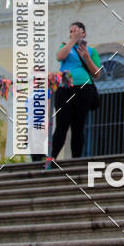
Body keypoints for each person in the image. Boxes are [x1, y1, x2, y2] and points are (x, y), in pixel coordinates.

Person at [45, 22, 101, 168]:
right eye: (71, 31)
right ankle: (51, 159)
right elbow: (59, 57)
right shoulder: (65, 47)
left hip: (84, 89)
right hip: (65, 88)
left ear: (83, 33)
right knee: (61, 125)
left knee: (78, 126)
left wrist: (86, 57)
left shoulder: (91, 51)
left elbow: (97, 73)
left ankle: (76, 161)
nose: (72, 33)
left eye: (75, 31)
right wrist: (72, 41)